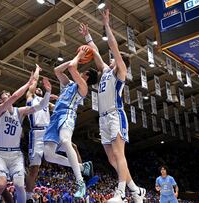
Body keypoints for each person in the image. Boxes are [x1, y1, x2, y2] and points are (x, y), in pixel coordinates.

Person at [78, 9, 145, 203]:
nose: (111, 57)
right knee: (111, 159)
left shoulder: (120, 71)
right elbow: (96, 52)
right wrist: (88, 36)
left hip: (116, 115)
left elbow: (113, 47)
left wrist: (106, 25)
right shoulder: (106, 71)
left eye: (115, 57)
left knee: (118, 154)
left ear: (121, 61)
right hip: (103, 118)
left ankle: (121, 193)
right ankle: (135, 190)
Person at [0, 72, 52, 203]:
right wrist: (29, 83)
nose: (9, 96)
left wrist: (48, 92)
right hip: (0, 154)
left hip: (15, 154)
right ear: (0, 100)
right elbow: (16, 96)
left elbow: (41, 106)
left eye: (8, 94)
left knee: (19, 186)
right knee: (0, 185)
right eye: (5, 95)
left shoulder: (19, 111)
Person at [43, 47, 98, 199]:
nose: (80, 71)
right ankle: (82, 166)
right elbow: (57, 70)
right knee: (48, 155)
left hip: (67, 114)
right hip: (55, 117)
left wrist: (79, 55)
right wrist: (75, 59)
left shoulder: (83, 87)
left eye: (83, 71)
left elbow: (72, 67)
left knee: (66, 142)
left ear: (86, 75)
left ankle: (80, 182)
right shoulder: (69, 85)